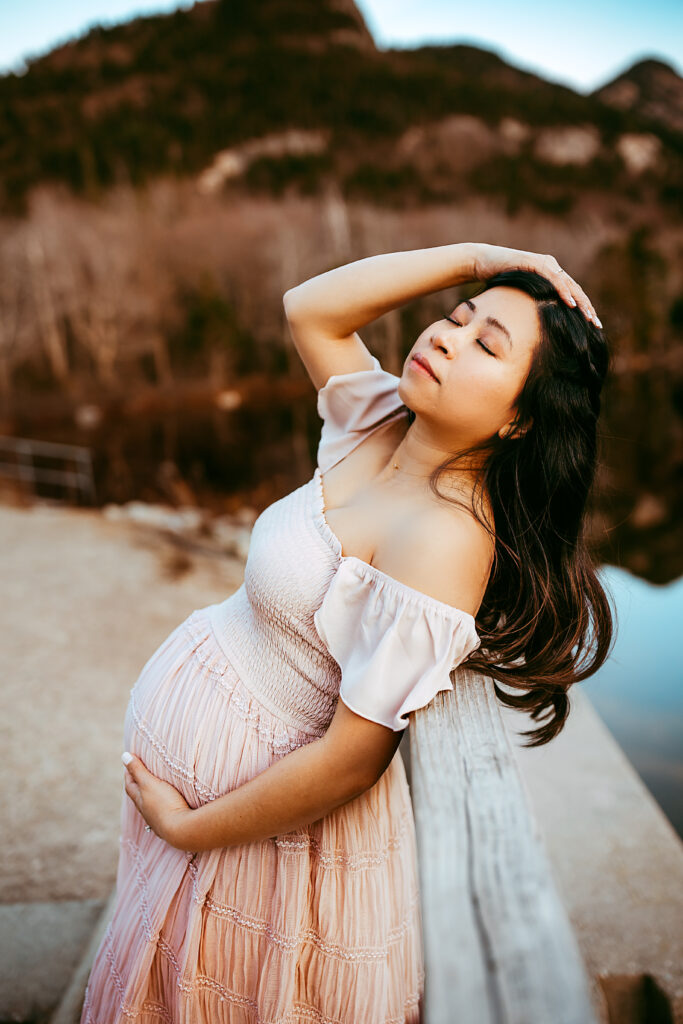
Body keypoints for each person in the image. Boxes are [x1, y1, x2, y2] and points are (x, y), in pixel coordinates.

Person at [80, 241, 613, 1023]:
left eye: (484, 345)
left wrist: (189, 828)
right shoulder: (382, 424)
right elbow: (310, 309)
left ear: (519, 420)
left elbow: (349, 761)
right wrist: (476, 256)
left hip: (253, 841)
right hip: (213, 815)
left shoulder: (444, 539)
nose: (443, 336)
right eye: (455, 319)